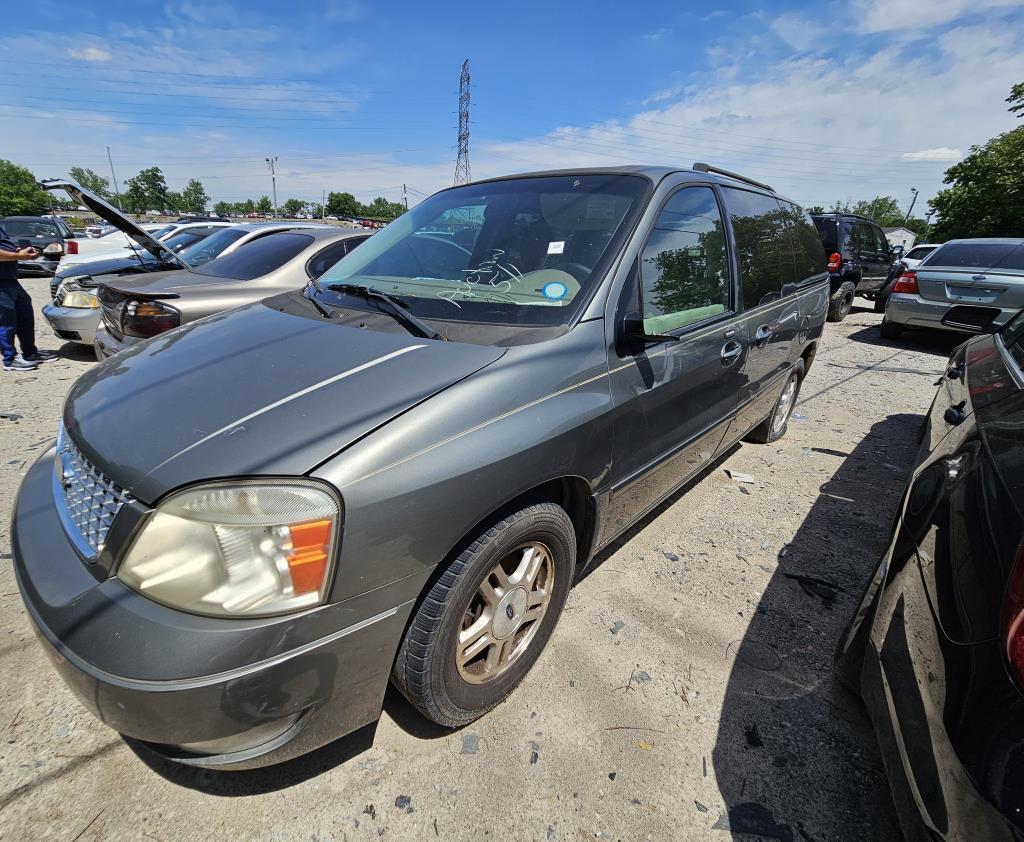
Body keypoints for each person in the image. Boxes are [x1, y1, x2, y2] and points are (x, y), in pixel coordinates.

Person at [0, 223, 58, 372]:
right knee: (6, 320)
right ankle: (10, 359)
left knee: (24, 314)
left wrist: (18, 251)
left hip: (10, 279)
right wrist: (19, 256)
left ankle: (30, 353)